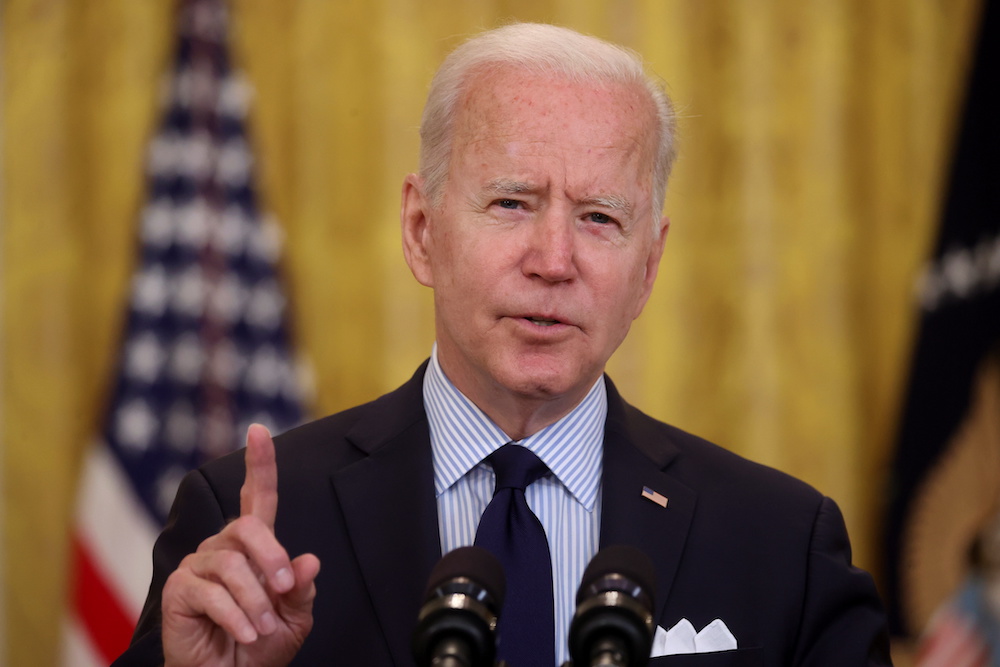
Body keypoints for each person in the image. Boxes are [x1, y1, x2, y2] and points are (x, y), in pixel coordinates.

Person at [114, 22, 892, 666]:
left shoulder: (779, 542)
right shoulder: (257, 529)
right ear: (422, 232)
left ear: (649, 265)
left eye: (599, 218)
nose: (553, 261)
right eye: (512, 202)